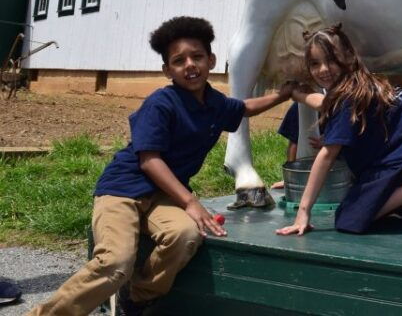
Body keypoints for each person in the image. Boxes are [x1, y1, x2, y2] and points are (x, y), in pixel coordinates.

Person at [28, 16, 294, 316]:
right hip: (123, 190)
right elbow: (149, 160)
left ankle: (138, 298)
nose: (190, 65)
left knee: (186, 236)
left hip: (161, 196)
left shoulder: (214, 102)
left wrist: (282, 95)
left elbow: (244, 108)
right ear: (167, 70)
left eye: (197, 56)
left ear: (212, 60)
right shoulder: (161, 103)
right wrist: (191, 202)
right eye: (179, 60)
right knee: (115, 263)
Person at [275, 25, 402, 237]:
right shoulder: (363, 83)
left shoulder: (345, 98)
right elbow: (329, 107)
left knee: (348, 218)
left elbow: (326, 156)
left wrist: (303, 212)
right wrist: (300, 96)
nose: (323, 69)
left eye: (331, 60)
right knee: (400, 208)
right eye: (315, 63)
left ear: (348, 58)